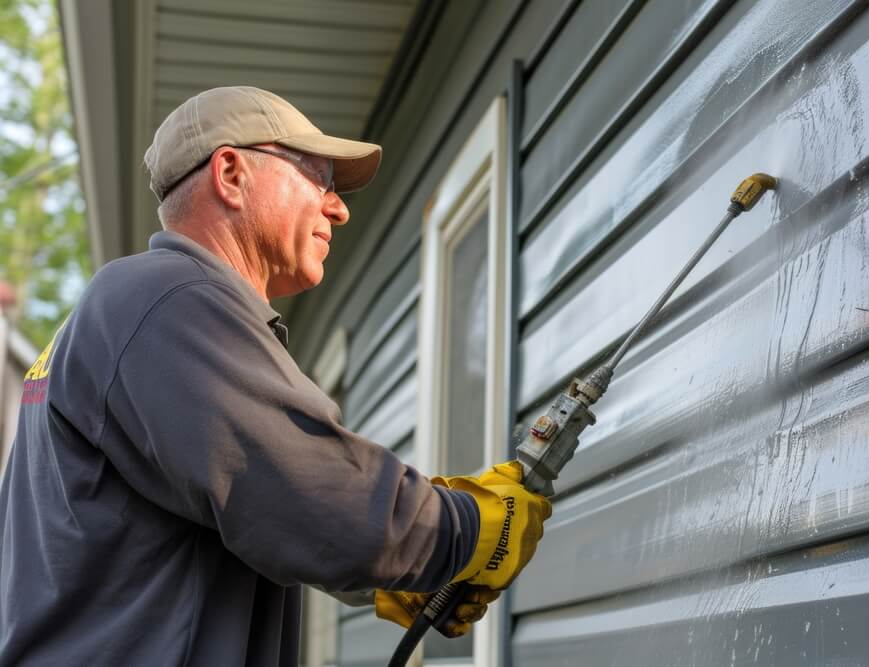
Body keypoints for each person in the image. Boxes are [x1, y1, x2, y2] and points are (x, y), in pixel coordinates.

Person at [0, 86, 551, 665]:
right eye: (319, 179)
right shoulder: (167, 298)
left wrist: (389, 575)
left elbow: (246, 509)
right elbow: (312, 492)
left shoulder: (124, 313)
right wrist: (474, 525)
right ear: (231, 173)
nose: (338, 207)